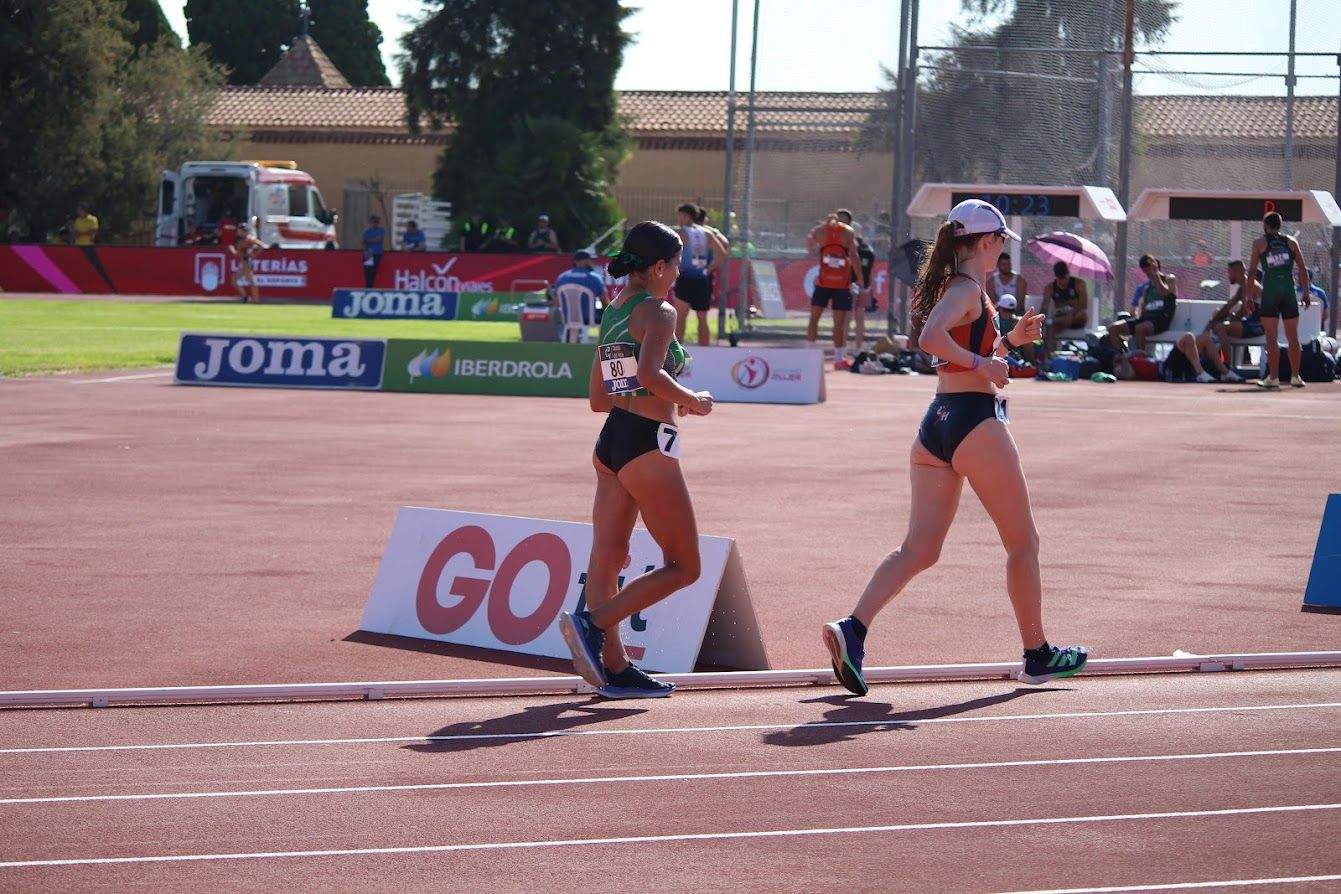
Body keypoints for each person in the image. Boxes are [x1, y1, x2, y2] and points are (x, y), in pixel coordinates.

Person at [821, 199, 1087, 697]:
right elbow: (929, 338)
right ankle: (1037, 654)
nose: (1004, 249)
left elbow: (967, 350)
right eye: (1002, 240)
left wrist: (1009, 341)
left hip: (937, 426)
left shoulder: (964, 289)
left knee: (918, 550)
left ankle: (853, 629)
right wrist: (983, 364)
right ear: (986, 242)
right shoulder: (966, 289)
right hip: (972, 422)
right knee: (1023, 543)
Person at [559, 222, 713, 699]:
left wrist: (658, 396)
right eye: (677, 264)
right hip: (647, 443)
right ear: (660, 267)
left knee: (606, 558)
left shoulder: (616, 309)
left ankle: (615, 667)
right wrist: (692, 399)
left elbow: (599, 397)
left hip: (611, 443)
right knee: (685, 567)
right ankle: (592, 624)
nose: (680, 273)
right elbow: (649, 373)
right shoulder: (659, 312)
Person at [1245, 211, 1311, 389]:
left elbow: (1251, 272)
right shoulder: (1291, 242)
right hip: (1288, 291)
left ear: (1265, 226)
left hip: (1271, 292)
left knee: (1271, 337)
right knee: (1293, 337)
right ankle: (1295, 376)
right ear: (1280, 225)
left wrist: (1249, 296)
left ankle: (1273, 377)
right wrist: (1305, 293)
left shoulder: (1259, 243)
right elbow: (1303, 270)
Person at [807, 210, 865, 369]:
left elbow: (810, 247)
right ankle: (837, 359)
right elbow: (854, 256)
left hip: (829, 282)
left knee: (820, 319)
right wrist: (860, 278)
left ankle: (818, 355)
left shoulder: (821, 231)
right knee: (832, 322)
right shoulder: (848, 233)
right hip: (836, 283)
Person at [672, 203, 726, 347]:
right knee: (702, 318)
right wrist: (708, 270)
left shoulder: (681, 233)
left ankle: (678, 352)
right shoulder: (707, 233)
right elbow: (722, 253)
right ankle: (705, 351)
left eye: (681, 216)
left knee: (681, 317)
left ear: (688, 217)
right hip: (702, 279)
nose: (679, 219)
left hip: (686, 278)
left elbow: (670, 254)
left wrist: (674, 268)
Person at [1106, 254, 1176, 355]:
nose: (1148, 274)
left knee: (1140, 328)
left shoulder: (1170, 279)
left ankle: (1141, 358)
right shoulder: (1147, 288)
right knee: (1113, 328)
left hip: (1161, 320)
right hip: (1146, 319)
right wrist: (1137, 319)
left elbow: (1165, 293)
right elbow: (1143, 309)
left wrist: (1155, 275)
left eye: (1149, 270)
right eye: (1146, 272)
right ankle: (1123, 355)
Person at [836, 209, 876, 354]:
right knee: (859, 317)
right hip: (863, 285)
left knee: (848, 317)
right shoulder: (868, 250)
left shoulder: (849, 248)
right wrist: (867, 287)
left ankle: (845, 347)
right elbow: (869, 271)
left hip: (850, 285)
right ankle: (857, 348)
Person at [1041, 261, 1089, 357]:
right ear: (1056, 277)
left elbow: (1084, 305)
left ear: (1068, 274)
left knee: (1079, 314)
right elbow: (1044, 308)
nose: (1063, 282)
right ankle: (1050, 358)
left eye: (1065, 279)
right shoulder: (1050, 288)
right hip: (1060, 319)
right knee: (1050, 329)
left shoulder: (1079, 284)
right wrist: (1040, 321)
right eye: (1060, 279)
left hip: (1078, 318)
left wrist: (1070, 308)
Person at [554, 248, 608, 331]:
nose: (593, 263)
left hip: (567, 319)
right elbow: (605, 303)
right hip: (589, 319)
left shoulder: (562, 277)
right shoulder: (595, 278)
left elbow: (557, 303)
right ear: (585, 261)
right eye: (591, 260)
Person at [229, 223, 263, 304]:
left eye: (239, 230)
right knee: (236, 281)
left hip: (246, 262)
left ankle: (253, 300)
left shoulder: (246, 239)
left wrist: (231, 249)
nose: (238, 232)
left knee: (250, 281)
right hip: (246, 261)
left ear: (243, 231)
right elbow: (261, 246)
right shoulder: (249, 238)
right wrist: (253, 255)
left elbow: (237, 254)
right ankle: (247, 298)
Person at [361, 215, 386, 288]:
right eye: (374, 222)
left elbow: (378, 239)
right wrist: (370, 241)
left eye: (377, 222)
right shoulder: (366, 231)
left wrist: (368, 241)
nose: (376, 223)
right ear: (370, 222)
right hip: (368, 253)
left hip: (377, 253)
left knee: (374, 272)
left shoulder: (381, 230)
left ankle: (371, 287)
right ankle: (368, 287)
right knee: (368, 273)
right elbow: (363, 242)